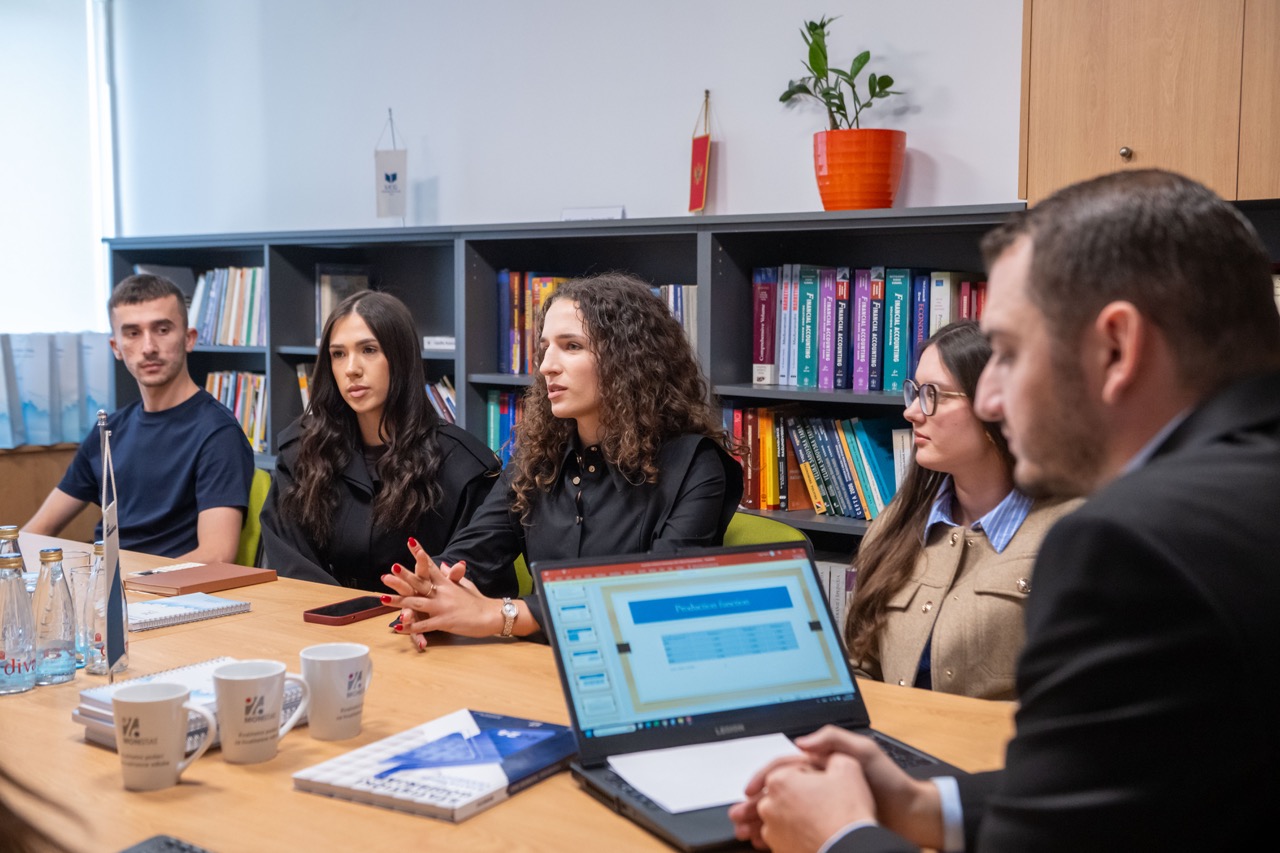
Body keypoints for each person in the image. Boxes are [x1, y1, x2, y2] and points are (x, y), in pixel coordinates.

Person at [728, 169, 1280, 852]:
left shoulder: (1133, 544)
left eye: (1012, 353)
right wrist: (924, 803)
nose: (991, 399)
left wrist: (838, 833)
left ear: (1116, 348)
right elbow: (1133, 783)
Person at [381, 272, 743, 644]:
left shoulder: (695, 465)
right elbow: (476, 549)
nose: (546, 366)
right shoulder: (538, 454)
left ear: (630, 359)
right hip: (535, 663)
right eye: (545, 348)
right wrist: (432, 591)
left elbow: (655, 594)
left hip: (634, 663)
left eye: (571, 346)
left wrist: (504, 615)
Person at [846, 320, 1078, 700]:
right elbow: (859, 665)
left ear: (997, 407)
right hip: (893, 735)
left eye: (933, 395)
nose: (912, 412)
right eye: (915, 392)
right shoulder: (895, 524)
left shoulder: (1071, 535)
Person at [259, 291, 501, 590]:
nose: (351, 369)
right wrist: (342, 610)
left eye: (369, 350)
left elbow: (479, 579)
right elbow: (291, 564)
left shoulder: (463, 468)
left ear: (401, 358)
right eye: (338, 354)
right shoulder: (301, 450)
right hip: (318, 613)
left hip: (421, 616)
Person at [23, 274, 252, 561]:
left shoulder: (218, 433)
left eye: (162, 330)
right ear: (116, 347)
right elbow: (38, 530)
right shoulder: (109, 429)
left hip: (169, 587)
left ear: (189, 338)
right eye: (132, 333)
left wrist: (126, 582)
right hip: (103, 579)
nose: (148, 347)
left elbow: (216, 555)